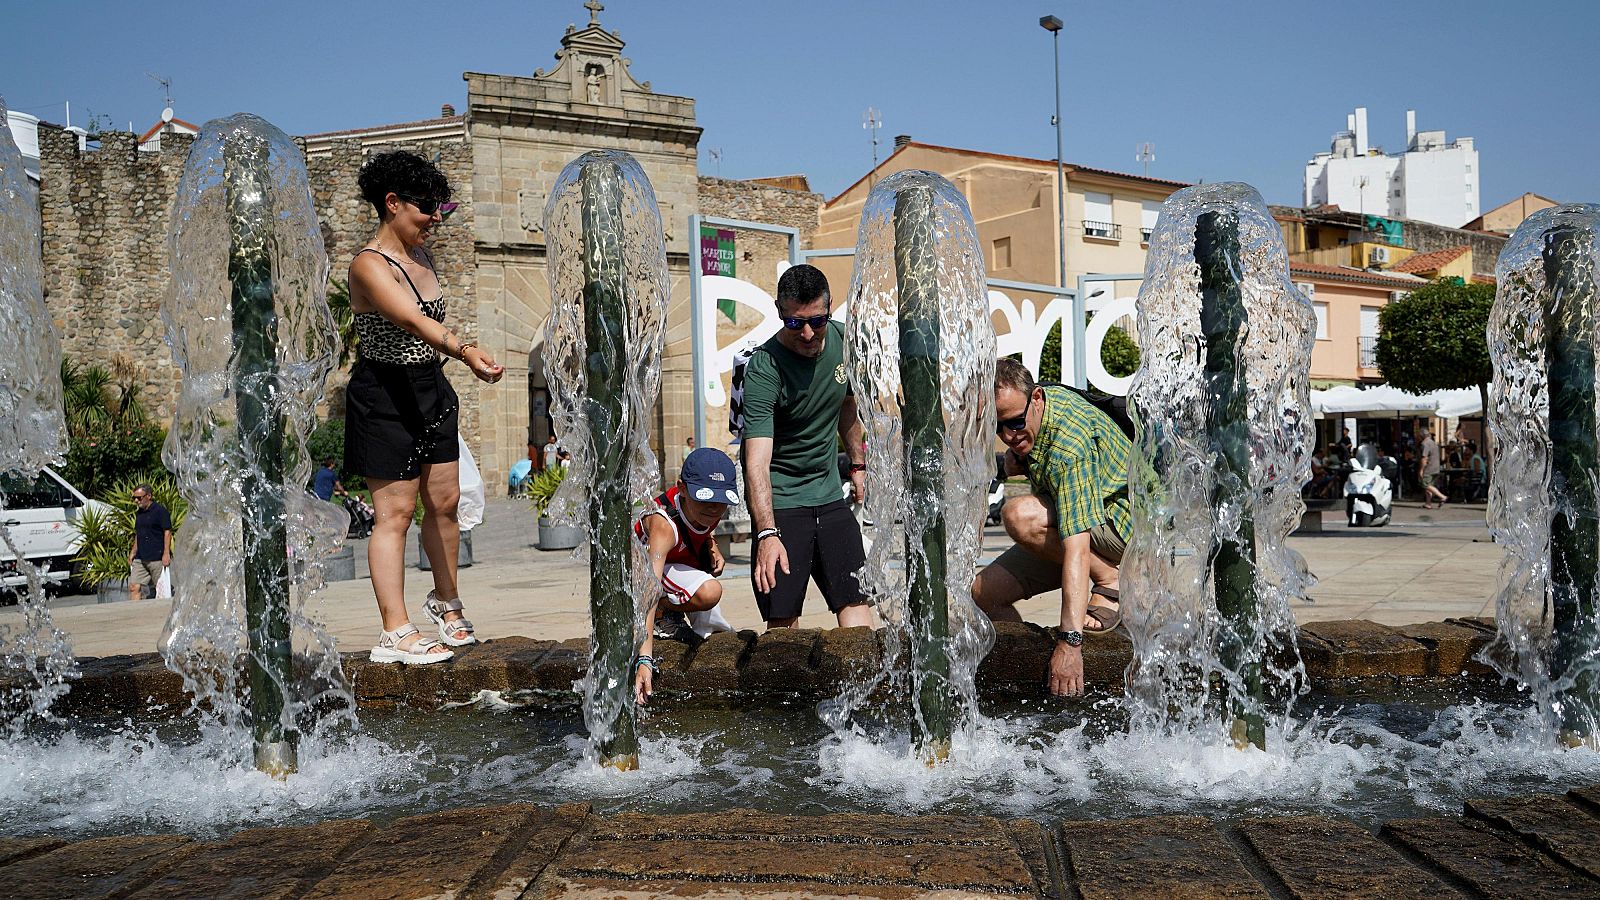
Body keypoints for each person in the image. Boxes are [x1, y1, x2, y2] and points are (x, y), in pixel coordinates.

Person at [346, 149, 504, 665]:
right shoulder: (369, 265)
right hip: (384, 395)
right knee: (393, 514)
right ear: (392, 203)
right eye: (428, 208)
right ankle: (395, 629)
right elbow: (412, 321)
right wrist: (464, 349)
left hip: (430, 390)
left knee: (445, 503)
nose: (436, 218)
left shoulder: (425, 258)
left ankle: (446, 598)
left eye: (443, 208)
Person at [971, 359, 1130, 698]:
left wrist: (1070, 644)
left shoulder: (1069, 443)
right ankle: (1028, 672)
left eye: (1015, 423)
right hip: (1084, 520)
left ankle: (1109, 579)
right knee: (984, 595)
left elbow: (1076, 545)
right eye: (997, 428)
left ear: (1037, 398)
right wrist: (1018, 460)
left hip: (1124, 526)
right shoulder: (1033, 419)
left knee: (1019, 515)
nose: (1008, 436)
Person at [741, 264, 873, 630]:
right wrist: (767, 533)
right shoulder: (765, 370)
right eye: (795, 323)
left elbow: (847, 405)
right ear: (779, 311)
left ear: (830, 305)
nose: (809, 333)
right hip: (782, 504)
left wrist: (857, 464)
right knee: (783, 631)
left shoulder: (847, 344)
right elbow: (756, 463)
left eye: (818, 319)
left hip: (831, 498)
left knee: (858, 615)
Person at [632, 448, 741, 706]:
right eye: (705, 499)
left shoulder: (706, 508)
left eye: (720, 500)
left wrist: (710, 544)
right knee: (710, 592)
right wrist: (644, 659)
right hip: (640, 573)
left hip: (675, 563)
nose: (714, 509)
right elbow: (647, 588)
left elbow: (701, 525)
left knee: (714, 632)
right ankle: (664, 614)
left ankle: (690, 623)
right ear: (682, 488)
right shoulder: (663, 527)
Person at [128, 483, 172, 602]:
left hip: (156, 557)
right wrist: (133, 551)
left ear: (149, 496)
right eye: (134, 498)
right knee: (134, 587)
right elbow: (139, 533)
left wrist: (166, 553)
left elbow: (167, 532)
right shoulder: (139, 513)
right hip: (141, 557)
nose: (136, 501)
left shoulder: (160, 511)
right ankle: (135, 614)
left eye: (139, 498)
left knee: (161, 590)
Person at [1419, 428, 1448, 509]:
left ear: (1422, 435)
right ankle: (1428, 503)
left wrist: (1421, 470)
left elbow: (1424, 458)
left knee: (1425, 484)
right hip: (1436, 467)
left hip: (1429, 467)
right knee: (1430, 485)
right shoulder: (1434, 443)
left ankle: (1442, 497)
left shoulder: (1425, 444)